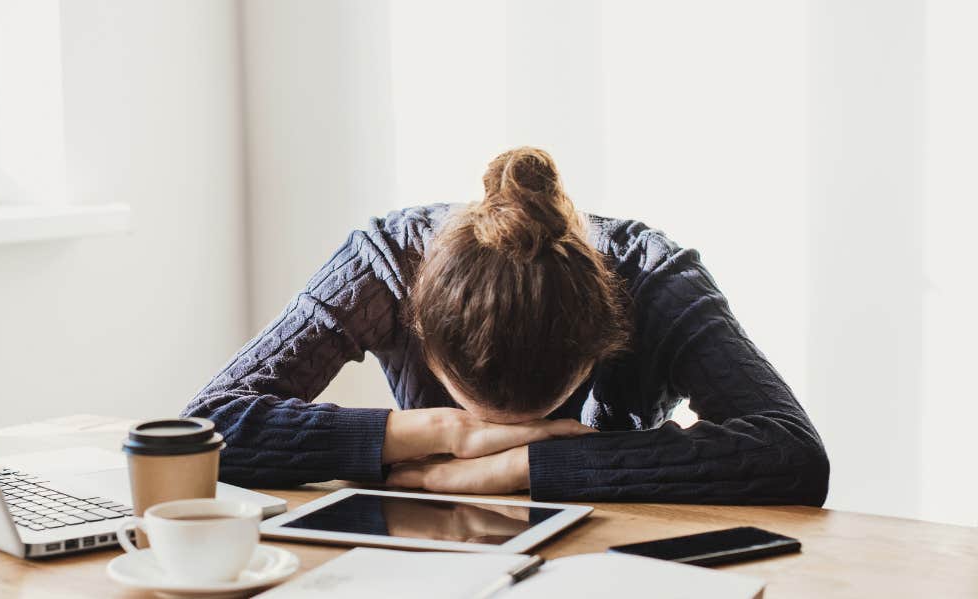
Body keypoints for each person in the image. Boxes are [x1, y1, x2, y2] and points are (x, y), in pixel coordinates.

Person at [182, 147, 829, 505]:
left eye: (530, 416)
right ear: (420, 325)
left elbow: (791, 451)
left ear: (607, 331)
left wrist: (525, 465)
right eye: (485, 415)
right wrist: (445, 432)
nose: (501, 433)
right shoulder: (386, 260)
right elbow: (202, 429)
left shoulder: (651, 275)